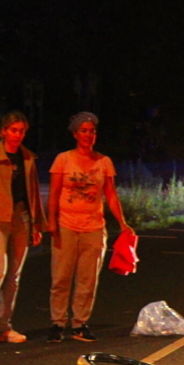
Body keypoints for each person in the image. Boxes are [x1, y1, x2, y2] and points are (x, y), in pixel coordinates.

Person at [47, 112, 134, 342]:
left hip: (93, 226)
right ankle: (57, 323)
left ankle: (79, 323)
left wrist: (122, 222)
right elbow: (54, 193)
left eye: (92, 131)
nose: (88, 135)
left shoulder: (103, 162)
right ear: (76, 134)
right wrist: (51, 222)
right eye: (84, 131)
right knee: (61, 277)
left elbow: (111, 195)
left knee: (88, 279)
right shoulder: (63, 159)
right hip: (66, 224)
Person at [0, 111, 48, 347]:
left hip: (21, 217)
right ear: (3, 131)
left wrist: (36, 225)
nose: (17, 135)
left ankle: (4, 326)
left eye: (21, 131)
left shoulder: (26, 158)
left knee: (13, 276)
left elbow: (32, 193)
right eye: (13, 130)